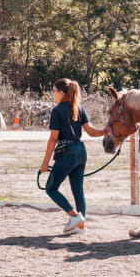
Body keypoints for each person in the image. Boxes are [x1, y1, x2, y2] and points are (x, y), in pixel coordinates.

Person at [40, 78, 110, 234]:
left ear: (61, 92)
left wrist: (45, 163)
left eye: (54, 91)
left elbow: (53, 139)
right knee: (78, 190)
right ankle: (80, 226)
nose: (52, 94)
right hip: (81, 150)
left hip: (66, 152)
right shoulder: (79, 108)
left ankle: (74, 216)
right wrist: (106, 131)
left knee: (51, 188)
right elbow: (91, 132)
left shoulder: (57, 110)